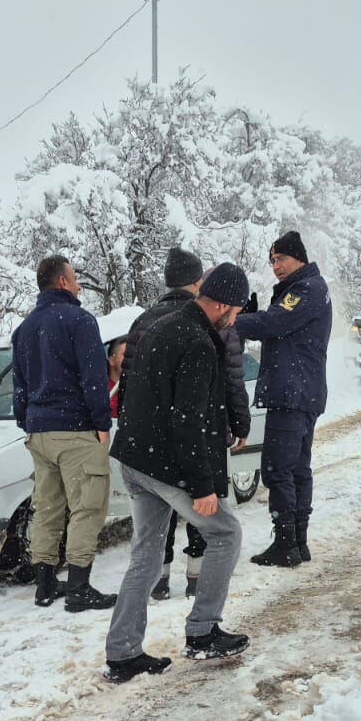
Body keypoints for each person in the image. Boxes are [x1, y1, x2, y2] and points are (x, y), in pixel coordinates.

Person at [104, 263, 253, 683]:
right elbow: (190, 419)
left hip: (135, 457)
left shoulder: (157, 326)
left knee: (146, 557)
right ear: (221, 303)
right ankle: (203, 633)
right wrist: (203, 485)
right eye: (236, 310)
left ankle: (122, 653)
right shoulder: (199, 342)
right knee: (226, 533)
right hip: (165, 464)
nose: (236, 318)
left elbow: (130, 388)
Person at [129, 252, 253, 601]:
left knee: (152, 537)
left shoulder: (145, 321)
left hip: (146, 449)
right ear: (198, 283)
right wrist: (239, 421)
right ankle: (198, 584)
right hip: (193, 441)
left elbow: (129, 379)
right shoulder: (209, 331)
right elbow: (230, 378)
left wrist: (134, 431)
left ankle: (161, 578)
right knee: (213, 517)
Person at [11, 254, 117, 612]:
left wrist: (27, 420)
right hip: (75, 429)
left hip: (39, 433)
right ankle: (78, 588)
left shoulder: (24, 329)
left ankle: (45, 586)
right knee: (87, 507)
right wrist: (102, 423)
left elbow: (20, 386)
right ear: (61, 282)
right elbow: (93, 379)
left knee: (47, 508)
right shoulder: (80, 321)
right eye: (74, 279)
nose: (78, 285)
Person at [233, 230, 331, 568]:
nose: (276, 266)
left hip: (292, 393)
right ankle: (297, 541)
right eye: (272, 261)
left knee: (278, 469)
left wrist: (233, 319)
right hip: (300, 391)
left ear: (298, 258)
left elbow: (274, 323)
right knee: (297, 468)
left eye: (281, 259)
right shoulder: (304, 290)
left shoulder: (306, 290)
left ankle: (287, 541)